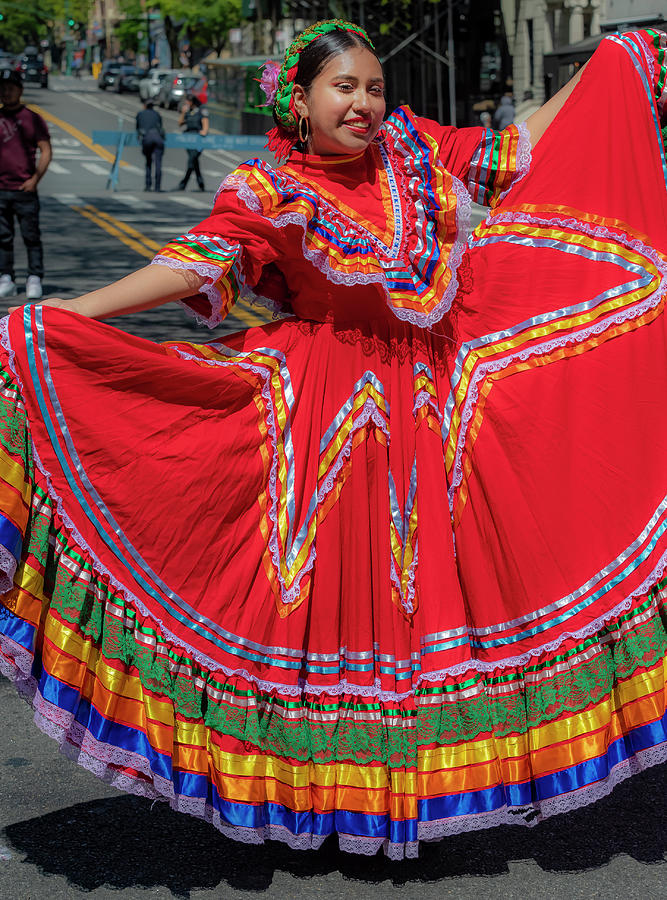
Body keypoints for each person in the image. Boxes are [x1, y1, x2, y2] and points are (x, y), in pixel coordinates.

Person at [0, 20, 665, 860]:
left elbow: (511, 149)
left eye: (373, 87)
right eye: (343, 87)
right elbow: (198, 262)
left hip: (432, 410)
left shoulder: (412, 151)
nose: (363, 103)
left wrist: (609, 66)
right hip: (319, 413)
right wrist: (70, 313)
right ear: (301, 98)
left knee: (430, 610)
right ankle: (320, 793)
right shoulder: (268, 185)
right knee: (314, 612)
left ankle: (407, 791)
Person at [0, 70, 51, 301]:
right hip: (1, 189)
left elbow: (46, 150)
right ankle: (6, 278)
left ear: (20, 91)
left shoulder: (32, 118)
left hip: (24, 190)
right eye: (3, 87)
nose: (6, 92)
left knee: (31, 236)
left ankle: (34, 278)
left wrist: (35, 179)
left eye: (11, 87)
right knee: (3, 237)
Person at [175, 93, 208, 191]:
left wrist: (204, 131)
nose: (186, 103)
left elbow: (205, 124)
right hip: (188, 140)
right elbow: (180, 123)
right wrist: (183, 113)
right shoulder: (188, 111)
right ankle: (200, 184)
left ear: (192, 102)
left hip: (198, 140)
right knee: (193, 161)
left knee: (192, 161)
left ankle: (183, 184)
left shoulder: (201, 110)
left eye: (188, 101)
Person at [136, 98, 165, 192]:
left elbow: (138, 128)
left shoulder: (140, 114)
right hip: (158, 138)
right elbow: (160, 127)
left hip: (147, 138)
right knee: (158, 163)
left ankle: (148, 185)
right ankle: (158, 186)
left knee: (148, 162)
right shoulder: (157, 114)